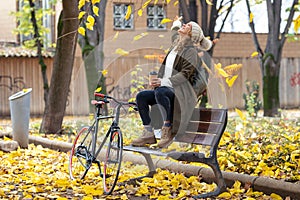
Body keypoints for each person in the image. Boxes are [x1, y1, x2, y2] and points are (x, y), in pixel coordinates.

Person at [131, 17, 213, 148]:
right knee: (142, 96)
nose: (184, 25)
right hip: (165, 90)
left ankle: (167, 129)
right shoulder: (176, 46)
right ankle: (148, 132)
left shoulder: (190, 52)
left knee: (161, 91)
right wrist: (176, 24)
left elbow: (185, 74)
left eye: (188, 26)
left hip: (180, 93)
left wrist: (163, 81)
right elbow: (175, 34)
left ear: (191, 34)